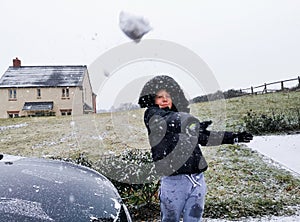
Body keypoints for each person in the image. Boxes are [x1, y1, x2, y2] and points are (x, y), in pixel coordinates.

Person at [138, 75, 253, 222]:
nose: (165, 99)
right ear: (153, 100)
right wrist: (188, 122)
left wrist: (233, 137)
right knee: (170, 219)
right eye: (160, 97)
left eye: (168, 96)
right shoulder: (153, 116)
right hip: (174, 182)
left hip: (197, 180)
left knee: (194, 219)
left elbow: (204, 138)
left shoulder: (182, 118)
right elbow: (169, 121)